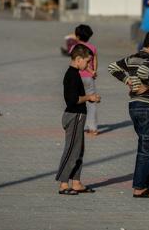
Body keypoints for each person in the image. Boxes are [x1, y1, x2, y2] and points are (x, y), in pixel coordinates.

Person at [108, 28, 149, 198]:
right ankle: (140, 187)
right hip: (147, 106)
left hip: (134, 106)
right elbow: (143, 72)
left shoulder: (132, 58)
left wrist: (127, 80)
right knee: (147, 147)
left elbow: (113, 67)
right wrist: (147, 87)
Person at [56, 44, 100, 195]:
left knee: (79, 150)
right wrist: (90, 97)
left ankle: (76, 182)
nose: (88, 65)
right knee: (71, 150)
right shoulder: (71, 75)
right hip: (74, 116)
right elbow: (72, 100)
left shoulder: (75, 73)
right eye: (87, 62)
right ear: (79, 59)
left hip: (79, 116)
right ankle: (63, 183)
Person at [69, 25, 99, 136]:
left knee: (77, 101)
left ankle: (77, 126)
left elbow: (73, 62)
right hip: (89, 78)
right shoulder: (92, 47)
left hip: (77, 77)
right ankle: (93, 128)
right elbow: (95, 61)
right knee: (91, 103)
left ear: (77, 36)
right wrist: (94, 72)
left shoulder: (74, 48)